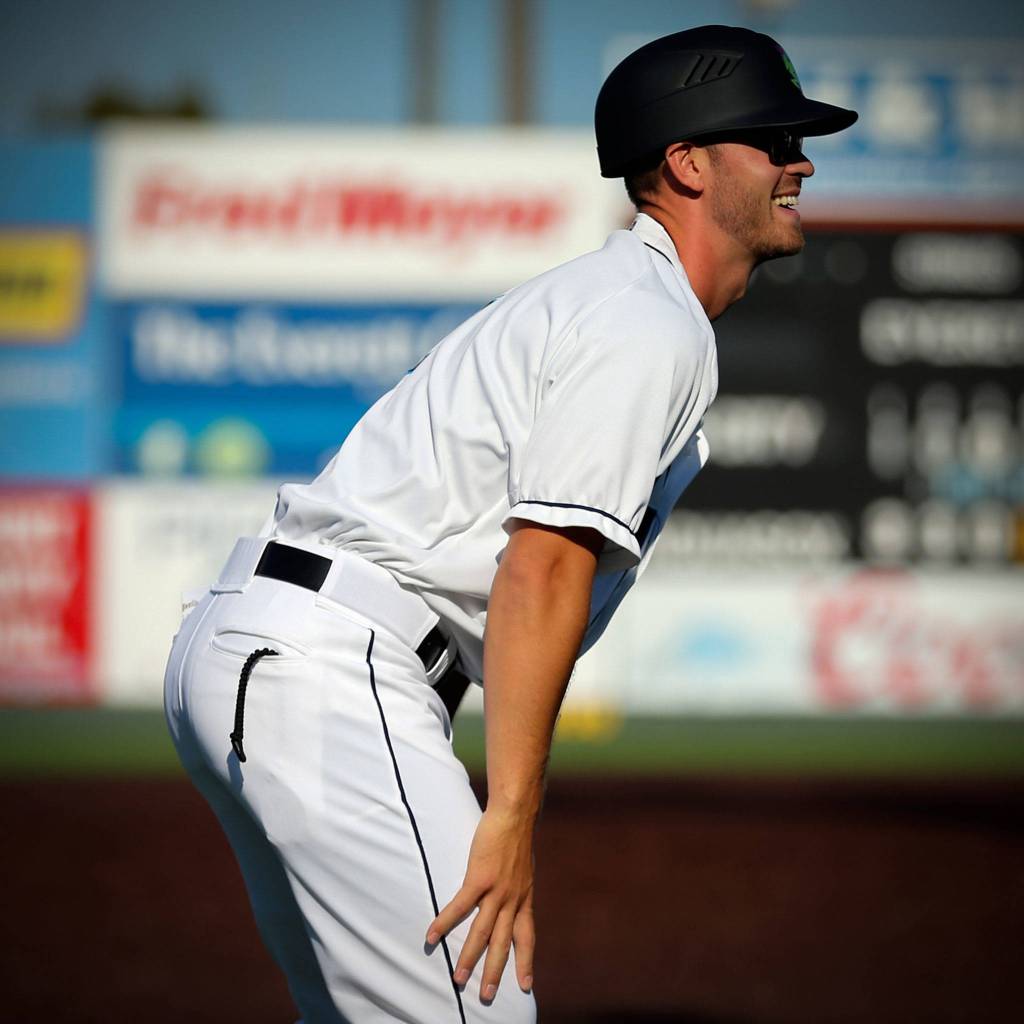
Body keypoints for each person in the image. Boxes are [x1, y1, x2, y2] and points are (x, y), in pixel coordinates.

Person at [164, 24, 856, 1023]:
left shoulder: (611, 302)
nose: (800, 161)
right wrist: (509, 817)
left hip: (277, 646)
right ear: (687, 162)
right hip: (334, 666)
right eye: (774, 139)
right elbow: (539, 570)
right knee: (481, 1007)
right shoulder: (646, 321)